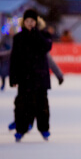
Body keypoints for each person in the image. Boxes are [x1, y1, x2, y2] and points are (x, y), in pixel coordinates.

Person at [9, 9, 53, 142]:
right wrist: (13, 78)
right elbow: (14, 59)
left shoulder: (44, 35)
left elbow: (46, 47)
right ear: (23, 22)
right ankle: (20, 130)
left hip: (40, 77)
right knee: (22, 105)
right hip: (24, 77)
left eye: (32, 21)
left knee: (42, 105)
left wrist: (36, 33)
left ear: (37, 22)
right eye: (27, 21)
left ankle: (44, 129)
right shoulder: (18, 38)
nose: (29, 23)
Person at [0, 27, 14, 91]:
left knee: (11, 70)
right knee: (3, 71)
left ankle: (12, 82)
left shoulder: (15, 37)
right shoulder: (5, 37)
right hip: (5, 57)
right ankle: (3, 83)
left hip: (11, 57)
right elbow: (0, 45)